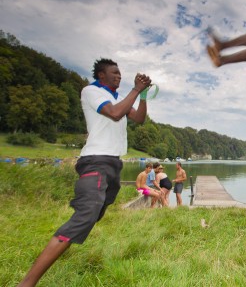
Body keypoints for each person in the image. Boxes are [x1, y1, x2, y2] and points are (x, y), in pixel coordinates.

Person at [18, 58, 151, 287]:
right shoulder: (91, 91)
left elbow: (138, 117)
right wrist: (135, 89)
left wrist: (144, 95)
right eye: (114, 73)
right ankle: (27, 283)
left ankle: (67, 239)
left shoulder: (119, 97)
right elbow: (115, 113)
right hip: (95, 161)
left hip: (113, 164)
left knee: (93, 215)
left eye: (120, 73)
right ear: (101, 75)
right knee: (84, 217)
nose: (119, 76)